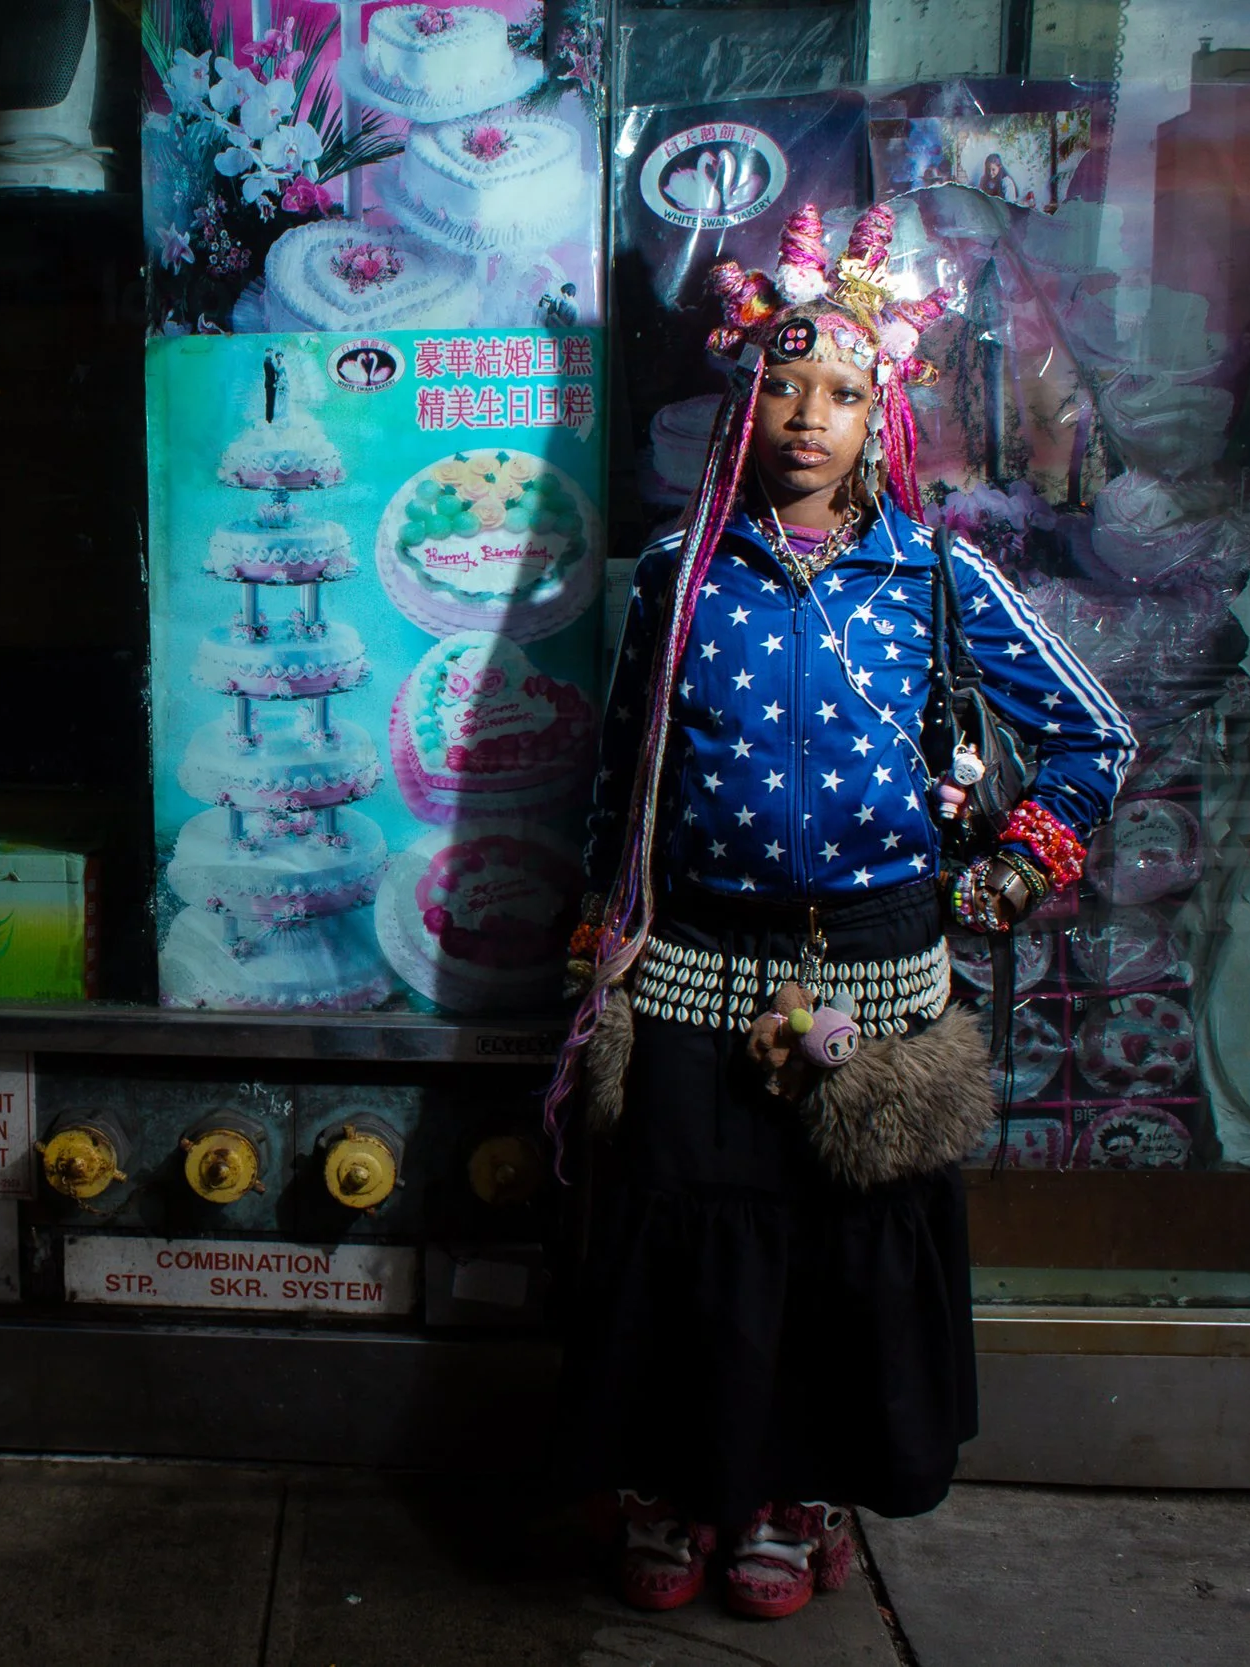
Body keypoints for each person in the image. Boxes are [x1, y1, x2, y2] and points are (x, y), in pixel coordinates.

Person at [548, 203, 1134, 1621]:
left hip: (872, 970)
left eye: (843, 392)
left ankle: (798, 1496)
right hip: (693, 960)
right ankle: (682, 1487)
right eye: (785, 385)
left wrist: (1009, 869)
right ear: (742, 401)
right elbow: (620, 770)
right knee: (685, 1229)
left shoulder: (933, 578)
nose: (809, 416)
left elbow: (1092, 738)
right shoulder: (676, 584)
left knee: (838, 1251)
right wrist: (594, 928)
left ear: (885, 419)